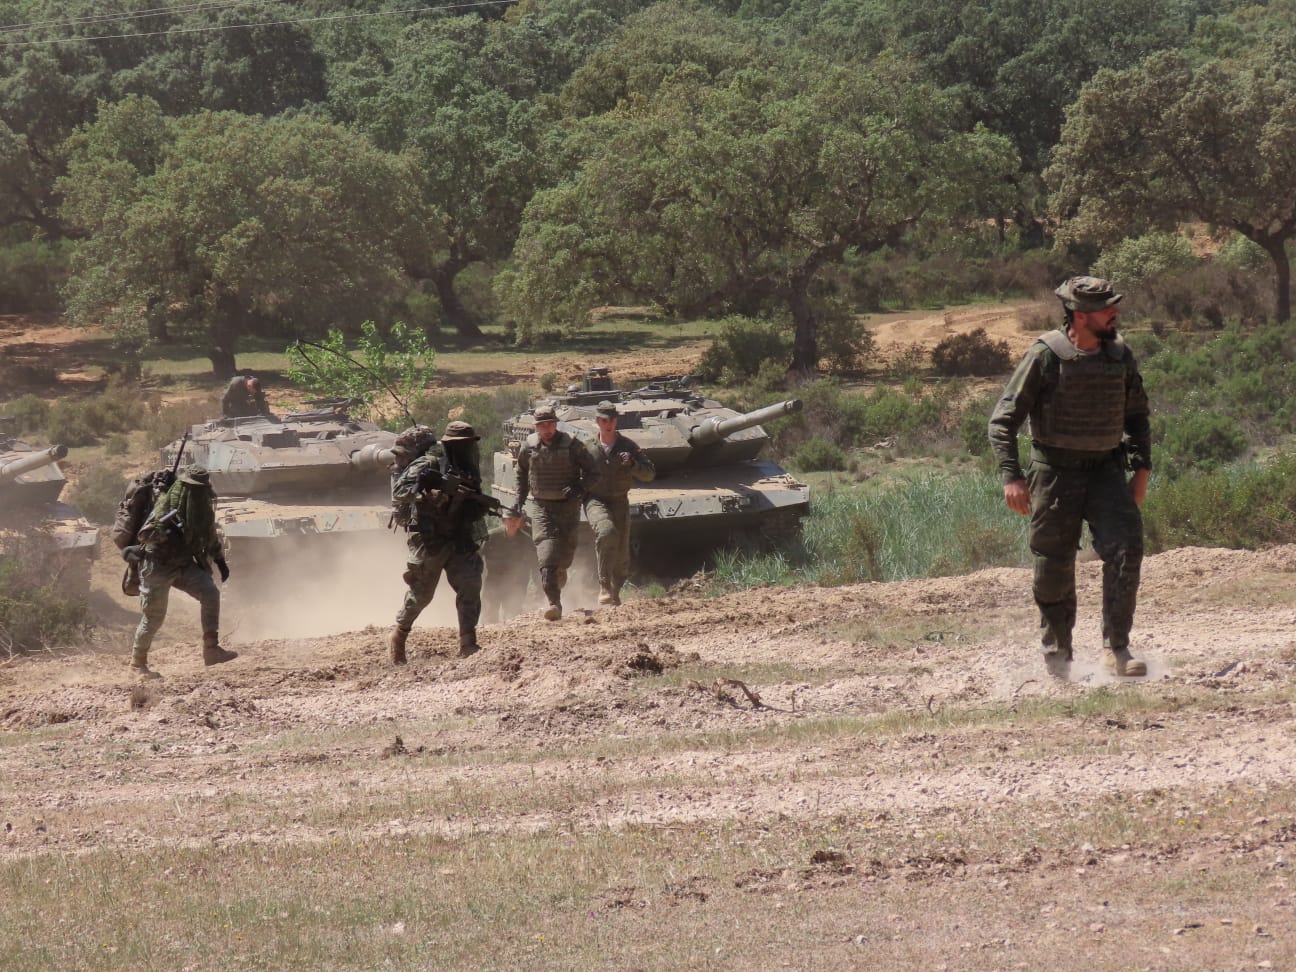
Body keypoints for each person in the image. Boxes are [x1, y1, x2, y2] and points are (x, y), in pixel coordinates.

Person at [989, 275, 1152, 680]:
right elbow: (1003, 421)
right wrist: (1012, 476)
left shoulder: (1121, 356)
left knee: (1126, 549)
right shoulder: (1046, 355)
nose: (1114, 313)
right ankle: (1058, 656)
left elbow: (1137, 417)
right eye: (1105, 308)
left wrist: (1141, 470)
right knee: (1053, 565)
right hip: (1054, 472)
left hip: (1106, 470)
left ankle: (1117, 648)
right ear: (1080, 316)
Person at [387, 420, 490, 664]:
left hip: (459, 536)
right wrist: (427, 494)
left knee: (470, 585)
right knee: (422, 594)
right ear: (448, 444)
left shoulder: (466, 468)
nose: (465, 448)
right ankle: (398, 637)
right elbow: (399, 491)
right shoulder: (427, 463)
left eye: (468, 443)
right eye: (460, 444)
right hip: (429, 537)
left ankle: (468, 642)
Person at [123, 464, 237, 678]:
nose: (198, 492)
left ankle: (211, 650)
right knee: (154, 617)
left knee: (210, 594)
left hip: (184, 565)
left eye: (201, 487)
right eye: (194, 487)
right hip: (157, 566)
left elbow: (209, 534)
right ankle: (137, 665)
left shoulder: (201, 508)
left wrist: (220, 561)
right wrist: (165, 531)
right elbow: (144, 536)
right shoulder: (166, 503)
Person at [512, 403, 600, 620]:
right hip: (542, 506)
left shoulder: (573, 446)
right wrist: (518, 501)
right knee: (546, 554)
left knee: (565, 557)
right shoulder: (529, 446)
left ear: (556, 424)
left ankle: (558, 576)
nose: (547, 428)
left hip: (568, 508)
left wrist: (579, 487)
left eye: (550, 423)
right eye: (542, 425)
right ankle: (554, 603)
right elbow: (521, 473)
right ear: (536, 427)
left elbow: (594, 472)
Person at [583, 401, 655, 605]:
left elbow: (649, 474)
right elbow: (574, 472)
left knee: (622, 557)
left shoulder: (628, 446)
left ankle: (615, 593)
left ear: (616, 421)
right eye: (604, 420)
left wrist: (632, 464)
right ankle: (604, 585)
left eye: (612, 420)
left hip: (619, 500)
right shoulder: (587, 447)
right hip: (595, 499)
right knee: (606, 532)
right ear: (597, 421)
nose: (609, 424)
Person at [480, 507, 538, 622]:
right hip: (493, 582)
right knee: (489, 618)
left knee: (513, 618)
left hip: (516, 584)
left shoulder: (526, 540)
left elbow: (535, 564)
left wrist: (540, 587)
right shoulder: (491, 536)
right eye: (510, 519)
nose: (513, 522)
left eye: (516, 520)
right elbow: (477, 558)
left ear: (520, 522)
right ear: (503, 521)